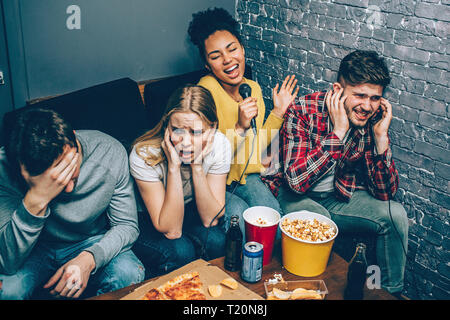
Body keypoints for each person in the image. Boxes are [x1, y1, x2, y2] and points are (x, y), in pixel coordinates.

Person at [262, 50, 408, 295]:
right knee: (320, 218)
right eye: (360, 95)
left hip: (337, 195)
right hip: (292, 194)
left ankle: (389, 293)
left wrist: (381, 138)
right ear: (338, 90)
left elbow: (386, 193)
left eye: (374, 98)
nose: (367, 106)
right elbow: (296, 182)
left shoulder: (372, 119)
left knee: (396, 215)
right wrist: (338, 134)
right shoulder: (303, 110)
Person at [0, 108, 144, 299]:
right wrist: (37, 198)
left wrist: (89, 259)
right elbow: (7, 263)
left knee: (129, 272)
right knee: (8, 290)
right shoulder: (5, 169)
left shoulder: (108, 151)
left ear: (74, 138)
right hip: (36, 249)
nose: (67, 188)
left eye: (68, 167)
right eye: (53, 180)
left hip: (90, 240)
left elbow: (127, 226)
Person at [188, 7, 299, 235]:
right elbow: (205, 153)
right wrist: (239, 126)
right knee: (240, 221)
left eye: (232, 49)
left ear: (242, 49)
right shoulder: (205, 90)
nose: (228, 60)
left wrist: (277, 112)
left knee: (271, 221)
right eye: (216, 56)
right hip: (214, 180)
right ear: (208, 65)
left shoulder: (253, 88)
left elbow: (257, 147)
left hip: (247, 176)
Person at [129, 85, 231, 278]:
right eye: (177, 130)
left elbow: (211, 219)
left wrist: (197, 166)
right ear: (167, 126)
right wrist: (174, 168)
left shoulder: (220, 144)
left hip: (188, 208)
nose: (185, 142)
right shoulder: (143, 155)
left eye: (196, 132)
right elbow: (172, 231)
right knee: (181, 250)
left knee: (217, 241)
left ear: (213, 128)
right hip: (148, 220)